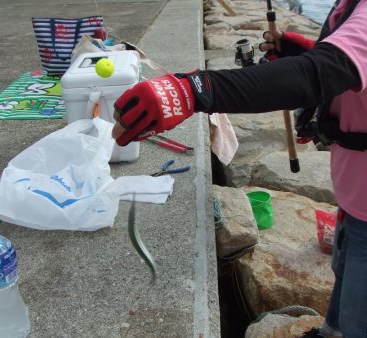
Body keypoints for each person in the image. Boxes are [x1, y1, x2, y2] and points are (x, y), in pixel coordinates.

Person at [111, 0, 367, 337]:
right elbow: (340, 70)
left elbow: (316, 74)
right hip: (355, 199)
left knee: (358, 317)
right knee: (344, 278)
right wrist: (304, 50)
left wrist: (194, 90)